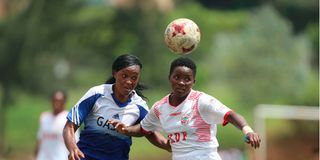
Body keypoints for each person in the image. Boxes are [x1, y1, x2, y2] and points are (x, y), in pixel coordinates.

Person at [109, 57, 261, 160]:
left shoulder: (202, 101)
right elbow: (143, 129)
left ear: (193, 82)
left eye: (187, 79)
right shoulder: (160, 108)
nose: (181, 82)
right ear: (170, 77)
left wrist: (248, 130)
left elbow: (230, 115)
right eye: (177, 77)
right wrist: (125, 130)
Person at [63, 54, 170, 160]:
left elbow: (150, 131)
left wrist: (168, 145)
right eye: (124, 76)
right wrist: (73, 148)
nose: (129, 81)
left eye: (134, 78)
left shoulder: (139, 106)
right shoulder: (97, 93)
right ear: (114, 73)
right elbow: (69, 126)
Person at [35, 90, 71, 160]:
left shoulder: (69, 118)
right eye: (54, 100)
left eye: (59, 101)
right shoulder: (44, 117)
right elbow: (40, 138)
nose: (56, 103)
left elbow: (75, 142)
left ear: (64, 102)